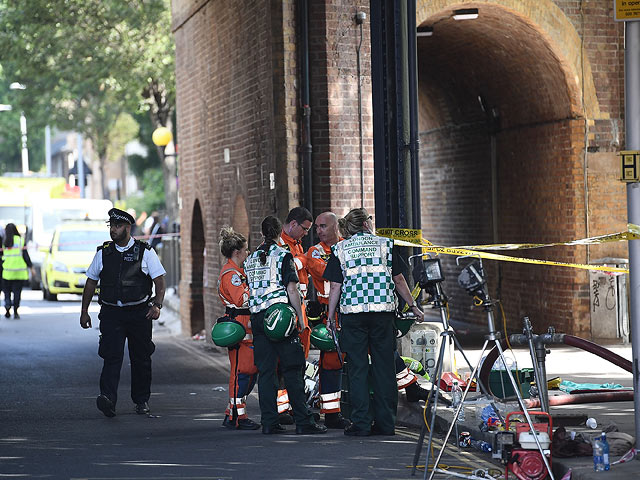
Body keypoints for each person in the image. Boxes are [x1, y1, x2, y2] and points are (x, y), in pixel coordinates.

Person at [325, 208, 424, 436]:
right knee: (384, 369)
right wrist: (414, 306)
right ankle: (386, 424)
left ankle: (360, 424)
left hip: (353, 316)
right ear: (367, 224)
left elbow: (335, 287)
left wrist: (330, 316)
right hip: (383, 315)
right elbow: (398, 280)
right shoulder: (386, 245)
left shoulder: (339, 249)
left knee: (358, 370)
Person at [80, 208, 166, 418]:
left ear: (128, 228)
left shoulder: (145, 252)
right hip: (111, 313)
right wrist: (84, 311)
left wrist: (157, 305)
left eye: (117, 226)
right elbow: (90, 283)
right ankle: (108, 398)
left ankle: (141, 400)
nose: (113, 230)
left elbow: (160, 282)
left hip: (139, 313)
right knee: (111, 356)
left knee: (141, 358)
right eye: (111, 226)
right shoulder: (103, 253)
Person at [244, 215, 326, 435]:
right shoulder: (283, 255)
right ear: (280, 232)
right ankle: (304, 421)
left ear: (262, 233)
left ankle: (269, 422)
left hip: (258, 318)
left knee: (266, 371)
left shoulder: (250, 260)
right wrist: (299, 319)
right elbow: (292, 289)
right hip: (280, 316)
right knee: (293, 368)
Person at [305, 211, 349, 429]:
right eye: (316, 227)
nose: (318, 231)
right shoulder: (314, 252)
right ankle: (331, 413)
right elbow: (329, 273)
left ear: (335, 227)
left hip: (352, 310)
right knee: (331, 363)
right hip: (329, 314)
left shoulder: (346, 245)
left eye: (322, 226)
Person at [217, 227, 260, 430]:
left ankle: (234, 413)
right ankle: (235, 416)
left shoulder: (237, 272)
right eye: (246, 250)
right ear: (237, 252)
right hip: (239, 324)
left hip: (244, 325)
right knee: (241, 372)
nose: (248, 253)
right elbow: (241, 299)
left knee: (248, 371)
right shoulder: (232, 275)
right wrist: (259, 290)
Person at [278, 206, 313, 358]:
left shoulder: (295, 241)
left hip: (300, 301)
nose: (306, 234)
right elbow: (286, 266)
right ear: (293, 224)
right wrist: (306, 258)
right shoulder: (279, 242)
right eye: (304, 229)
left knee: (303, 343)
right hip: (288, 302)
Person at [1, 223, 35, 319]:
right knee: (17, 293)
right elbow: (25, 256)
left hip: (7, 272)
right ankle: (15, 311)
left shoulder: (4, 242)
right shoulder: (20, 241)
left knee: (6, 292)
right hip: (19, 273)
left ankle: (7, 305)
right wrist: (31, 267)